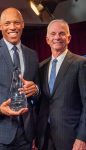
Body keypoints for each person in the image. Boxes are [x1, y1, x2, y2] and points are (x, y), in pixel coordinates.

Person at [0, 7, 39, 150]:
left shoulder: (32, 55)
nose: (12, 27)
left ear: (22, 24)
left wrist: (35, 90)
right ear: (0, 26)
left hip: (26, 135)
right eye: (7, 23)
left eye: (16, 22)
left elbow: (37, 91)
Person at [36, 19, 86, 150]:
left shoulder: (80, 64)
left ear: (68, 38)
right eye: (53, 34)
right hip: (44, 138)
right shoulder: (41, 67)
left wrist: (82, 137)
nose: (57, 37)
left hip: (71, 138)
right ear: (47, 39)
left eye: (61, 33)